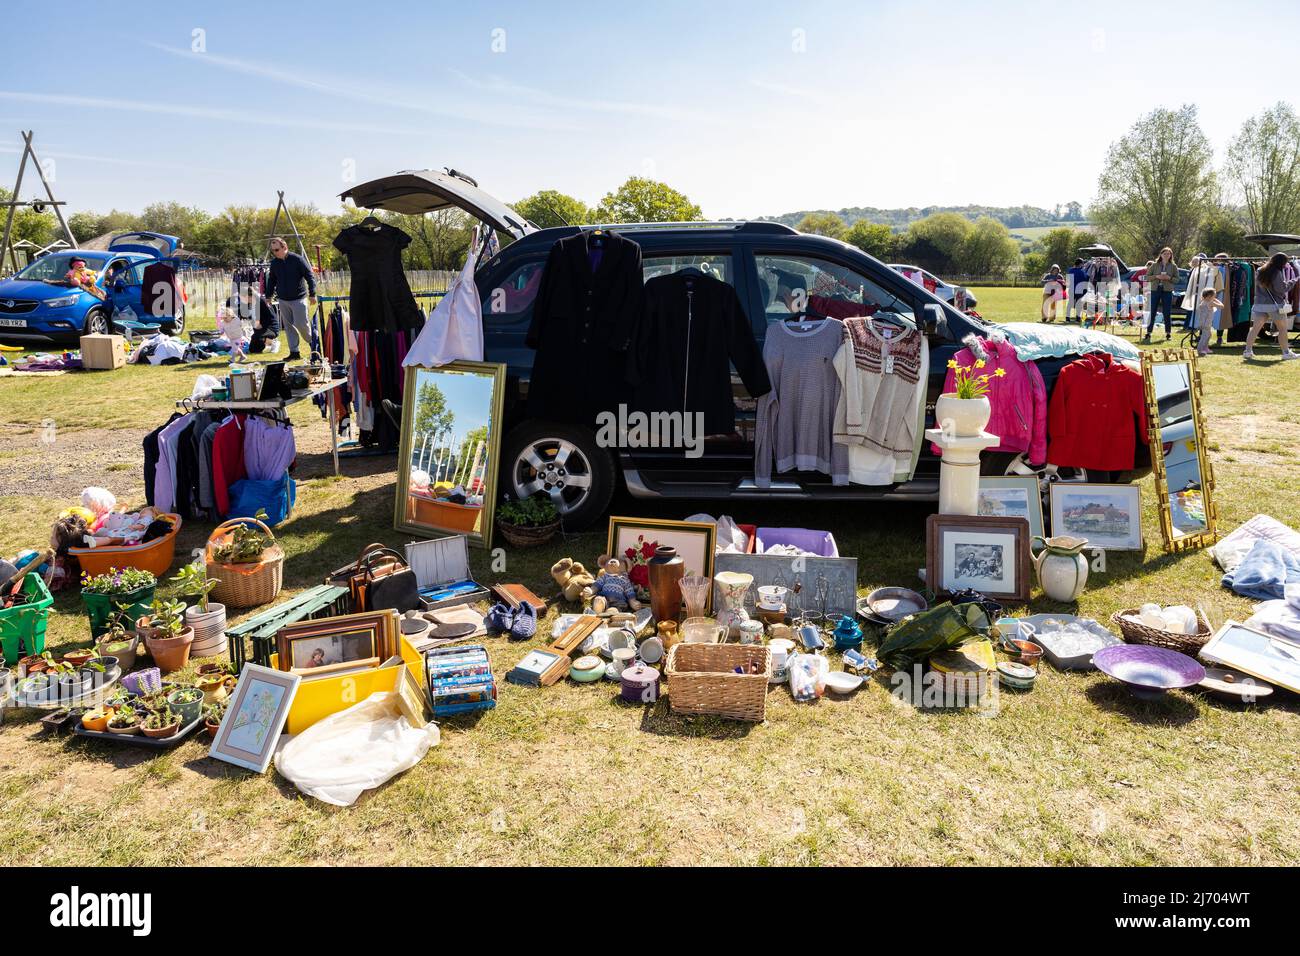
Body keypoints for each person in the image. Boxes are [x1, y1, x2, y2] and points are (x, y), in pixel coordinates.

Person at [264, 237, 317, 360]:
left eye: (277, 249)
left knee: (301, 324)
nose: (275, 253)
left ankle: (314, 345)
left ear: (285, 247)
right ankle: (294, 353)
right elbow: (272, 280)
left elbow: (309, 276)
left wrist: (312, 293)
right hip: (283, 299)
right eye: (273, 251)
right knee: (288, 327)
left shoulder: (298, 259)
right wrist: (268, 296)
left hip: (299, 298)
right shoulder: (274, 263)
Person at [1243, 252, 1298, 361]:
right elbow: (1281, 289)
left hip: (1259, 304)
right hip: (1274, 305)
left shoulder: (1260, 270)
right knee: (1282, 329)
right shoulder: (1276, 272)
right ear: (1281, 262)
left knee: (1255, 329)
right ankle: (1286, 353)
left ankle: (1247, 351)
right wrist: (1293, 281)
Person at [225, 283, 280, 353]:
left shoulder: (262, 302)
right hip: (258, 329)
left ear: (248, 296)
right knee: (253, 349)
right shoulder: (248, 303)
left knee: (258, 339)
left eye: (242, 297)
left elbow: (269, 318)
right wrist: (230, 313)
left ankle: (273, 342)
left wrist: (262, 325)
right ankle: (266, 343)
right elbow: (242, 312)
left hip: (270, 328)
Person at [1143, 247, 1177, 343]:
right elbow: (1147, 277)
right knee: (1152, 311)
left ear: (1171, 255)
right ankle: (1148, 332)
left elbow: (1177, 279)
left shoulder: (1173, 266)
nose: (1166, 255)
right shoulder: (1154, 265)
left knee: (1167, 312)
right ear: (1161, 254)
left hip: (1167, 291)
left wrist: (1169, 278)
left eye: (1168, 254)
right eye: (1165, 253)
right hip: (1155, 290)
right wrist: (1156, 276)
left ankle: (1168, 333)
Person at [1195, 288, 1224, 357]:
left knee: (1208, 335)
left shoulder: (1203, 301)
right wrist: (1215, 300)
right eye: (1214, 296)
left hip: (1203, 322)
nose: (1215, 297)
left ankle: (1205, 348)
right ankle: (1200, 350)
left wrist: (1213, 298)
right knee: (1204, 336)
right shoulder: (1211, 302)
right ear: (1209, 296)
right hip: (1206, 323)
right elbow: (1222, 306)